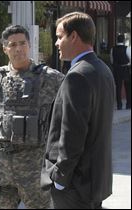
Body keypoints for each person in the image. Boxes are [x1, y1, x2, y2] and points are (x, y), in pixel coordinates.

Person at [0, 25, 64, 209]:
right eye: (12, 44)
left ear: (30, 45)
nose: (18, 49)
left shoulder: (51, 78)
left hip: (36, 168)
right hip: (3, 169)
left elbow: (70, 115)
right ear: (5, 48)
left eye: (22, 43)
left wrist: (58, 156)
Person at [40, 12, 115, 209]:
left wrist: (60, 178)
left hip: (75, 185)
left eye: (59, 36)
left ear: (73, 37)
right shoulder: (102, 69)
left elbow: (72, 135)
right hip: (93, 182)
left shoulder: (78, 76)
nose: (56, 43)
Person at [110, 34, 131, 110]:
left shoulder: (113, 49)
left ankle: (119, 105)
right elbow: (130, 59)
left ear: (117, 40)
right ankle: (128, 104)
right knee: (128, 87)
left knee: (118, 88)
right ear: (124, 40)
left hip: (117, 70)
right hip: (125, 68)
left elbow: (112, 60)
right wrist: (128, 64)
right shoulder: (127, 48)